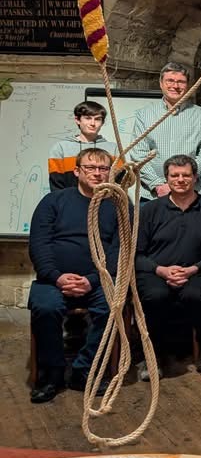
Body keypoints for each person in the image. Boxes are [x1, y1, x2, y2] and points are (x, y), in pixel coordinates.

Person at [28, 148, 121, 403]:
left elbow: (119, 250)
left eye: (103, 168)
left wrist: (92, 279)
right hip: (53, 280)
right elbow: (39, 244)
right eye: (91, 168)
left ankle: (84, 371)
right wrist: (57, 277)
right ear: (77, 171)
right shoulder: (53, 202)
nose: (98, 173)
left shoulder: (118, 205)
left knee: (112, 308)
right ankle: (52, 374)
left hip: (99, 280)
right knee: (46, 308)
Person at [135, 154, 201, 378]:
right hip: (157, 271)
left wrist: (192, 269)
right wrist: (161, 270)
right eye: (174, 175)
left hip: (198, 270)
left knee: (197, 295)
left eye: (186, 175)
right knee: (155, 296)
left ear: (195, 177)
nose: (180, 179)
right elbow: (137, 254)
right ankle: (154, 354)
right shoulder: (149, 210)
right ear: (166, 179)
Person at [131, 62, 201, 203]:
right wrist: (158, 184)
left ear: (188, 85)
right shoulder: (144, 114)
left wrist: (187, 180)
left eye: (181, 82)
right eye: (170, 81)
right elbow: (138, 154)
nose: (175, 86)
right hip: (154, 195)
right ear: (161, 83)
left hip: (194, 192)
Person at [48, 100, 119, 191]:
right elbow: (56, 184)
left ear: (102, 122)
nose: (93, 123)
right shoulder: (60, 148)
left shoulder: (113, 149)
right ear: (78, 120)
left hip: (105, 202)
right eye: (88, 118)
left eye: (97, 119)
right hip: (69, 202)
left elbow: (120, 183)